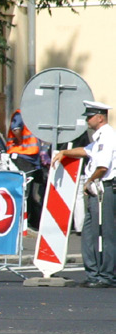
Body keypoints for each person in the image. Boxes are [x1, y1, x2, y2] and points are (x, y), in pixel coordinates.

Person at [52, 100, 115, 287]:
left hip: (104, 187)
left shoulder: (108, 136)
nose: (87, 120)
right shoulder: (98, 138)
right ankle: (94, 273)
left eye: (90, 117)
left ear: (100, 117)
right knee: (90, 232)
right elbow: (86, 152)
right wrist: (65, 152)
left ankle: (107, 275)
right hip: (97, 189)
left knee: (105, 233)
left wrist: (88, 181)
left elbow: (102, 167)